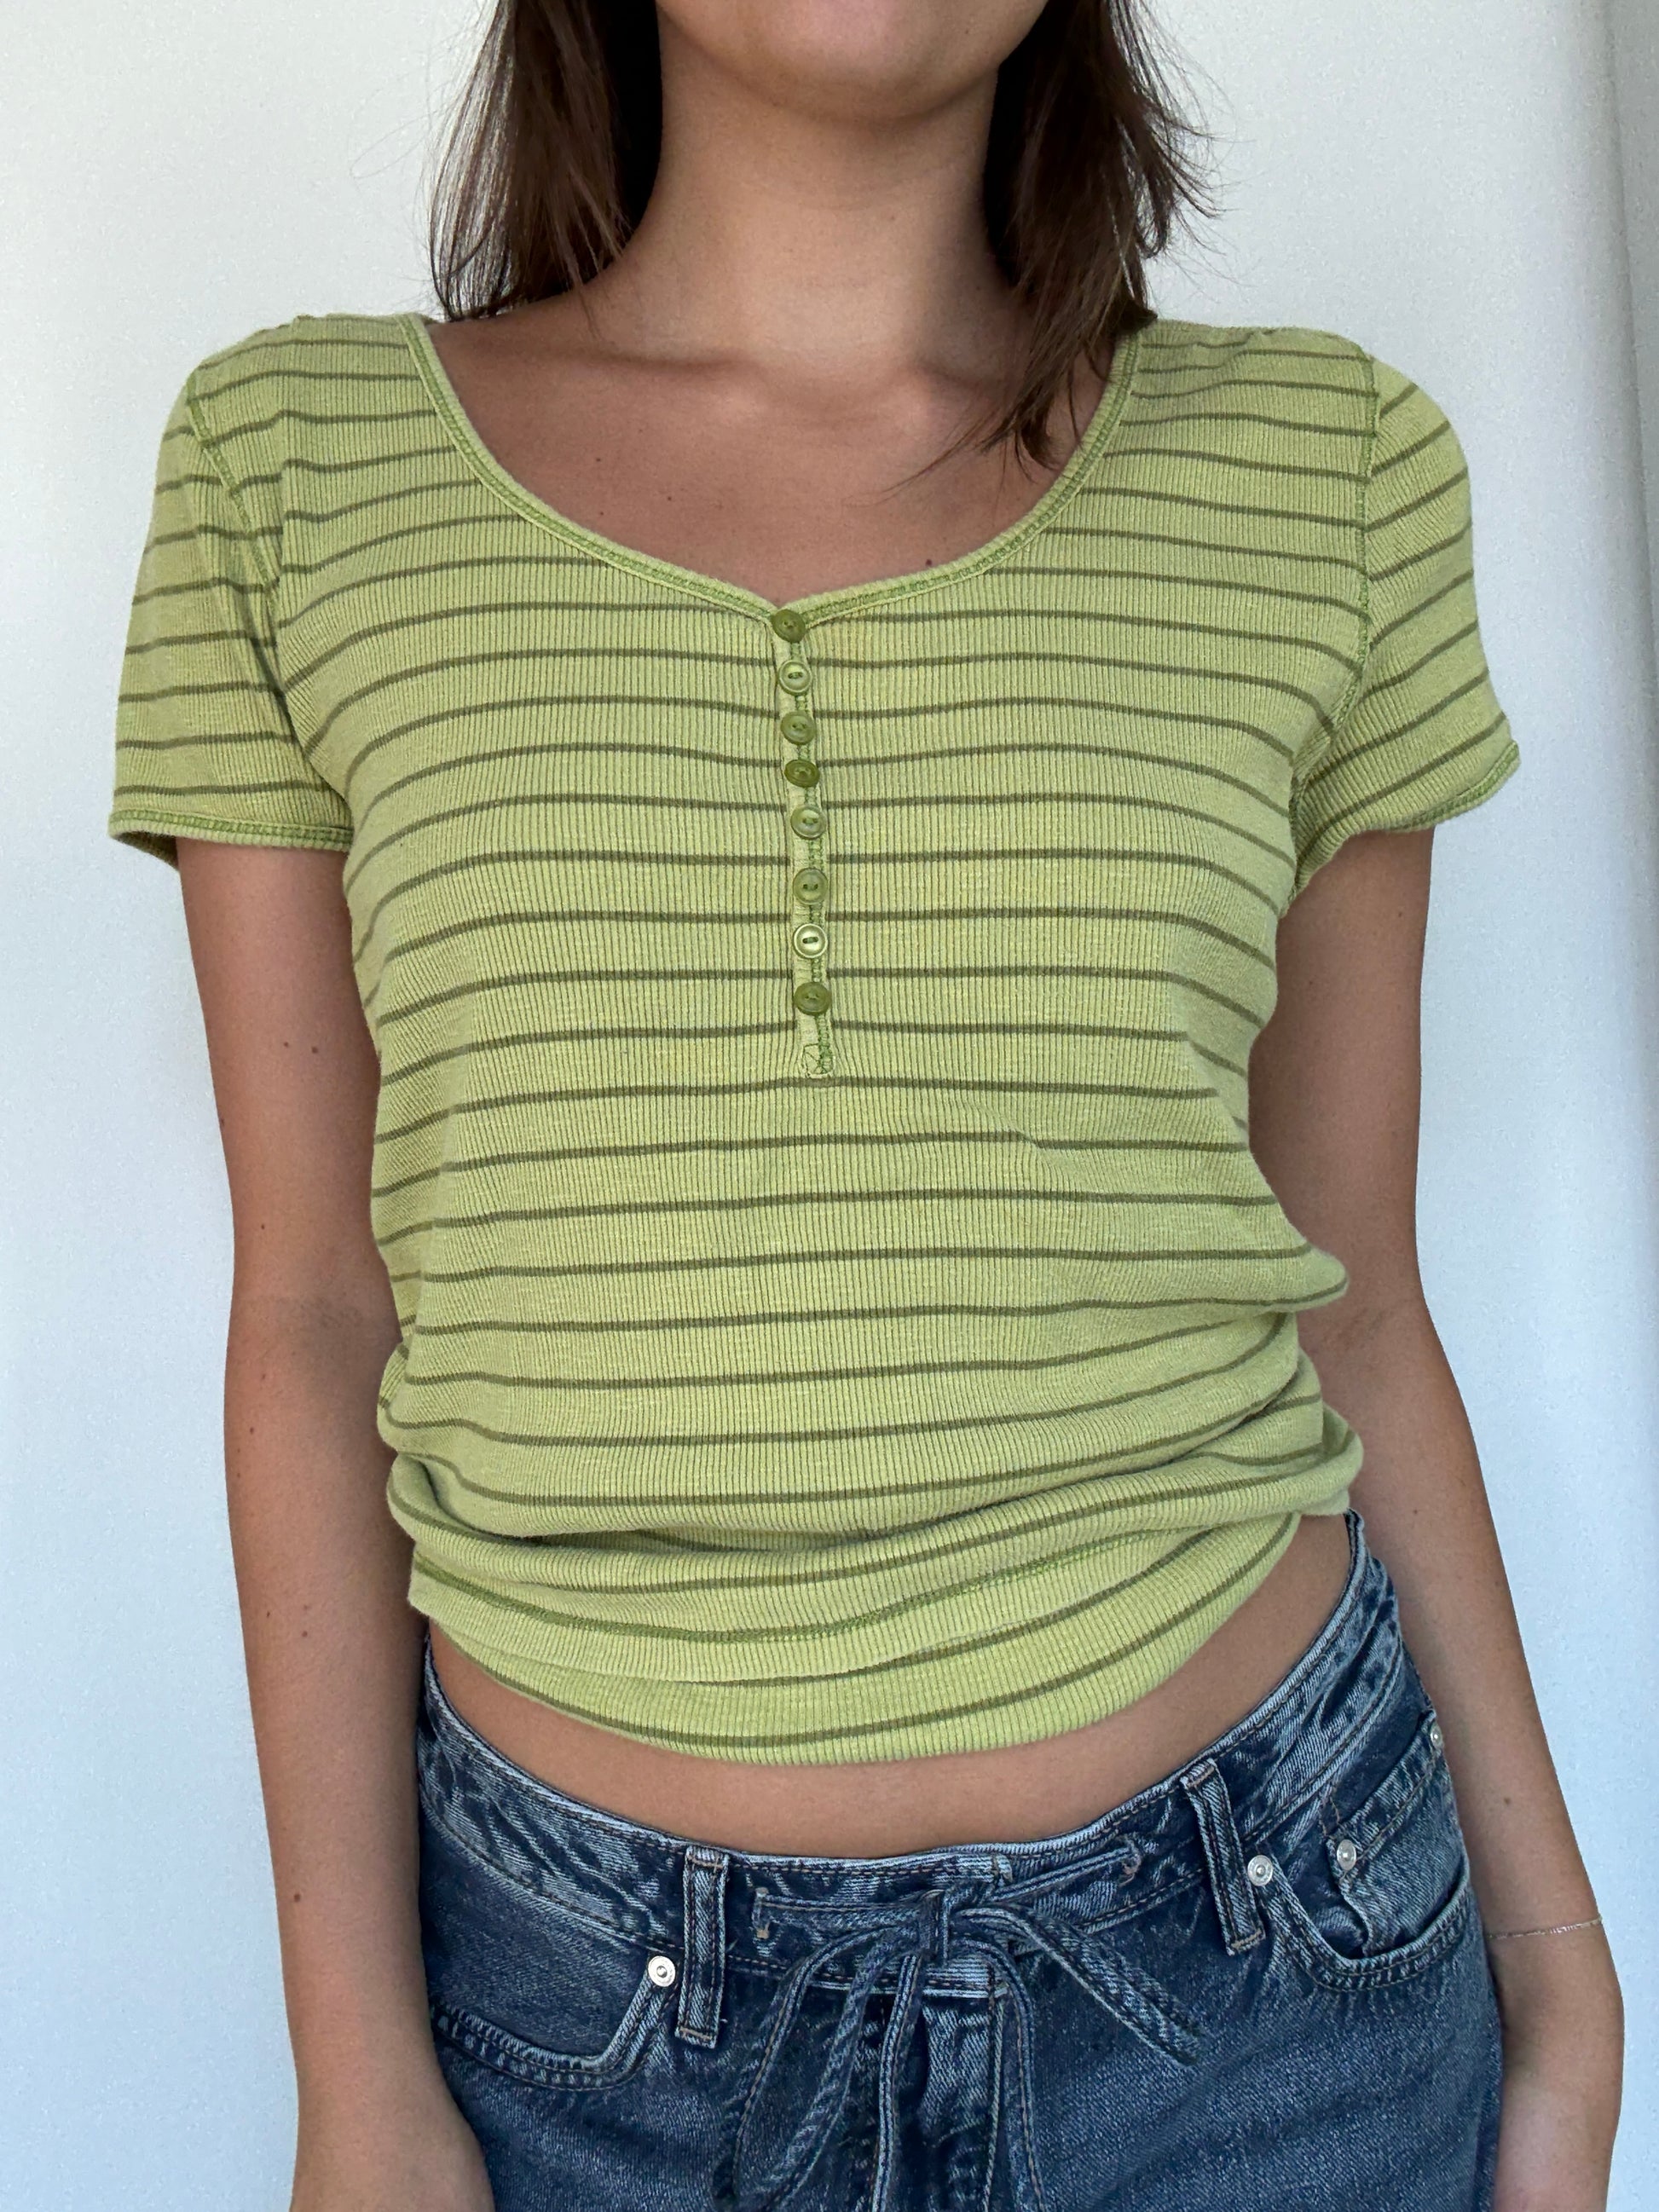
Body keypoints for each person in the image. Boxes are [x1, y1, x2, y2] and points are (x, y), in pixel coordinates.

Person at [107, 2, 1623, 2207]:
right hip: (585, 2042)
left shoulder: (1330, 469)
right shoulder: (293, 469)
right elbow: (318, 1312)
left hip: (1278, 1967)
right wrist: (356, 2074)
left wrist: (1564, 1976)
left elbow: (1354, 1297)